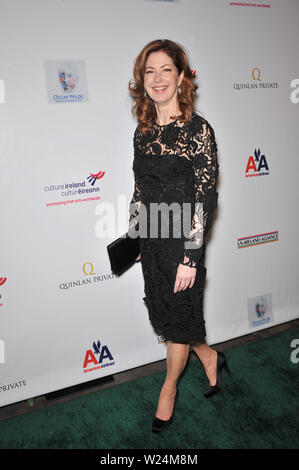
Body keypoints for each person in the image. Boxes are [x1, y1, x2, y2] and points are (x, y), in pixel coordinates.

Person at [127, 39, 230, 434]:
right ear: (142, 80)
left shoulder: (198, 131)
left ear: (181, 75)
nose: (157, 78)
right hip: (153, 239)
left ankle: (168, 390)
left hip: (184, 241)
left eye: (166, 69)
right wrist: (136, 235)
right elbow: (140, 188)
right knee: (171, 318)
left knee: (176, 321)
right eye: (150, 71)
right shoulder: (143, 131)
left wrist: (191, 255)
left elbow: (206, 196)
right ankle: (210, 357)